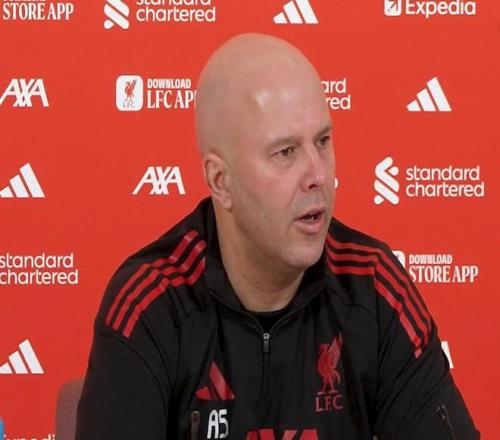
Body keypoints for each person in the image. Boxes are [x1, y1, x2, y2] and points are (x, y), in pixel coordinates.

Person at [76, 33, 480, 439]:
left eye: (323, 141)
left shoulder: (374, 286)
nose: (318, 174)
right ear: (221, 181)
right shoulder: (150, 305)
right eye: (286, 152)